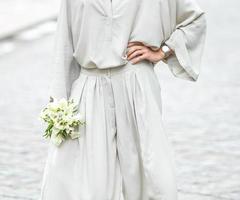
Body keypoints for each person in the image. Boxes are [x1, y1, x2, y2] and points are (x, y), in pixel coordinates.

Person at [39, 0, 206, 199]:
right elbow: (64, 44)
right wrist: (59, 102)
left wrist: (162, 51)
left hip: (136, 80)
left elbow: (194, 18)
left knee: (148, 171)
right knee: (87, 172)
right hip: (89, 84)